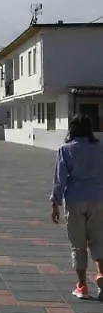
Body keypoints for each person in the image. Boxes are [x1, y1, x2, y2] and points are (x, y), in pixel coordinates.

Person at [51, 113, 103, 300]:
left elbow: (60, 179)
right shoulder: (100, 148)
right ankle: (101, 274)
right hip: (98, 198)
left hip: (74, 200)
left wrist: (55, 203)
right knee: (98, 240)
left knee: (78, 245)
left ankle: (82, 285)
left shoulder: (65, 150)